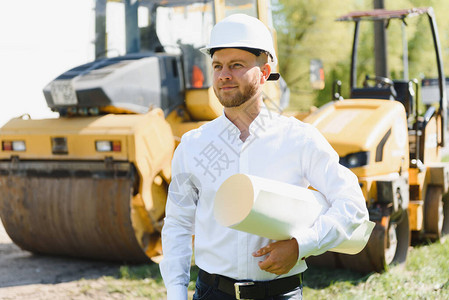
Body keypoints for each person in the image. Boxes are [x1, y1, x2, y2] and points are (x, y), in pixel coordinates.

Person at [160, 14, 369, 300]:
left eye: (236, 66)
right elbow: (177, 224)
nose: (223, 75)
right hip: (211, 293)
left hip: (280, 294)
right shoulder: (193, 145)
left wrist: (300, 245)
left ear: (265, 71)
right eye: (218, 66)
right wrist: (175, 292)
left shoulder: (300, 139)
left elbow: (353, 208)